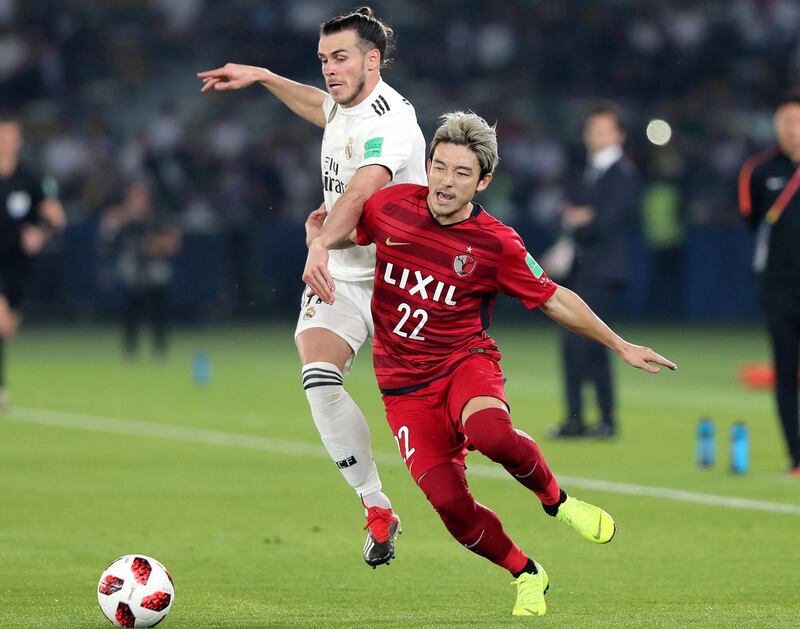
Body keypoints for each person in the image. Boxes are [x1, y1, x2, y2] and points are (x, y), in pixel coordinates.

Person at [303, 111, 675, 616]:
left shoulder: (496, 242)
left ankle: (556, 501)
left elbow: (554, 298)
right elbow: (350, 229)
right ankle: (526, 572)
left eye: (461, 173)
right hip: (403, 388)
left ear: (484, 181)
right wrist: (320, 239)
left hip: (463, 363)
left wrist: (620, 345)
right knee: (451, 508)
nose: (445, 182)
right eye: (439, 167)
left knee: (493, 435)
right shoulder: (390, 206)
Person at [197, 7, 427, 566]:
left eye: (340, 57)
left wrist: (320, 241)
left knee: (429, 418)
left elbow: (363, 192)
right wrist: (265, 76)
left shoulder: (391, 121)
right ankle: (376, 506)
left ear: (373, 61)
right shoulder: (344, 105)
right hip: (342, 280)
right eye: (323, 59)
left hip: (403, 279)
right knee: (319, 379)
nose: (328, 69)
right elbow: (320, 108)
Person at [549, 103, 642, 439]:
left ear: (618, 134)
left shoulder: (623, 172)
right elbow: (568, 215)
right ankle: (598, 420)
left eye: (603, 129)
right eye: (592, 129)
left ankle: (586, 419)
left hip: (603, 271)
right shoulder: (587, 170)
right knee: (591, 346)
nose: (595, 135)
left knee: (582, 344)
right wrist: (579, 219)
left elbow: (603, 222)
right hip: (581, 268)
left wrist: (581, 218)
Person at [738, 90, 800, 476]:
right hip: (778, 288)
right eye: (786, 123)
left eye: (797, 122)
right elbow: (750, 220)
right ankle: (796, 456)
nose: (792, 129)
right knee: (785, 368)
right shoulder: (760, 170)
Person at [0, 113, 65, 409]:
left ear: (19, 140)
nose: (5, 141)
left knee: (8, 328)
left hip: (18, 266)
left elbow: (56, 218)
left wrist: (39, 233)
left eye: (10, 135)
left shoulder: (30, 178)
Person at [100, 182, 181, 361]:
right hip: (132, 273)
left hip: (155, 272)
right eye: (134, 199)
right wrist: (110, 226)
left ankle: (160, 349)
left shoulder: (157, 218)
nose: (137, 203)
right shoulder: (124, 222)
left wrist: (151, 245)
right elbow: (107, 244)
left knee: (158, 313)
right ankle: (129, 349)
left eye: (140, 199)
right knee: (130, 313)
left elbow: (172, 243)